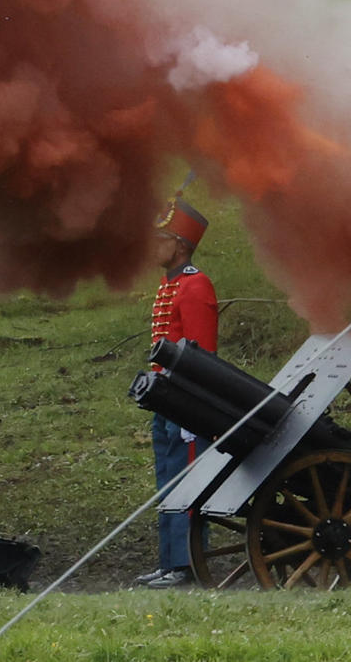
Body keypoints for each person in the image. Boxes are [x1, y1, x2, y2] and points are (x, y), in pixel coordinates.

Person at [138, 197, 216, 589]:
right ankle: (169, 561)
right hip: (165, 399)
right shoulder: (170, 285)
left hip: (184, 402)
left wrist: (190, 406)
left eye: (160, 238)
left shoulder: (195, 284)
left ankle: (186, 564)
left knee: (186, 482)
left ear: (180, 245)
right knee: (167, 481)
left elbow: (201, 354)